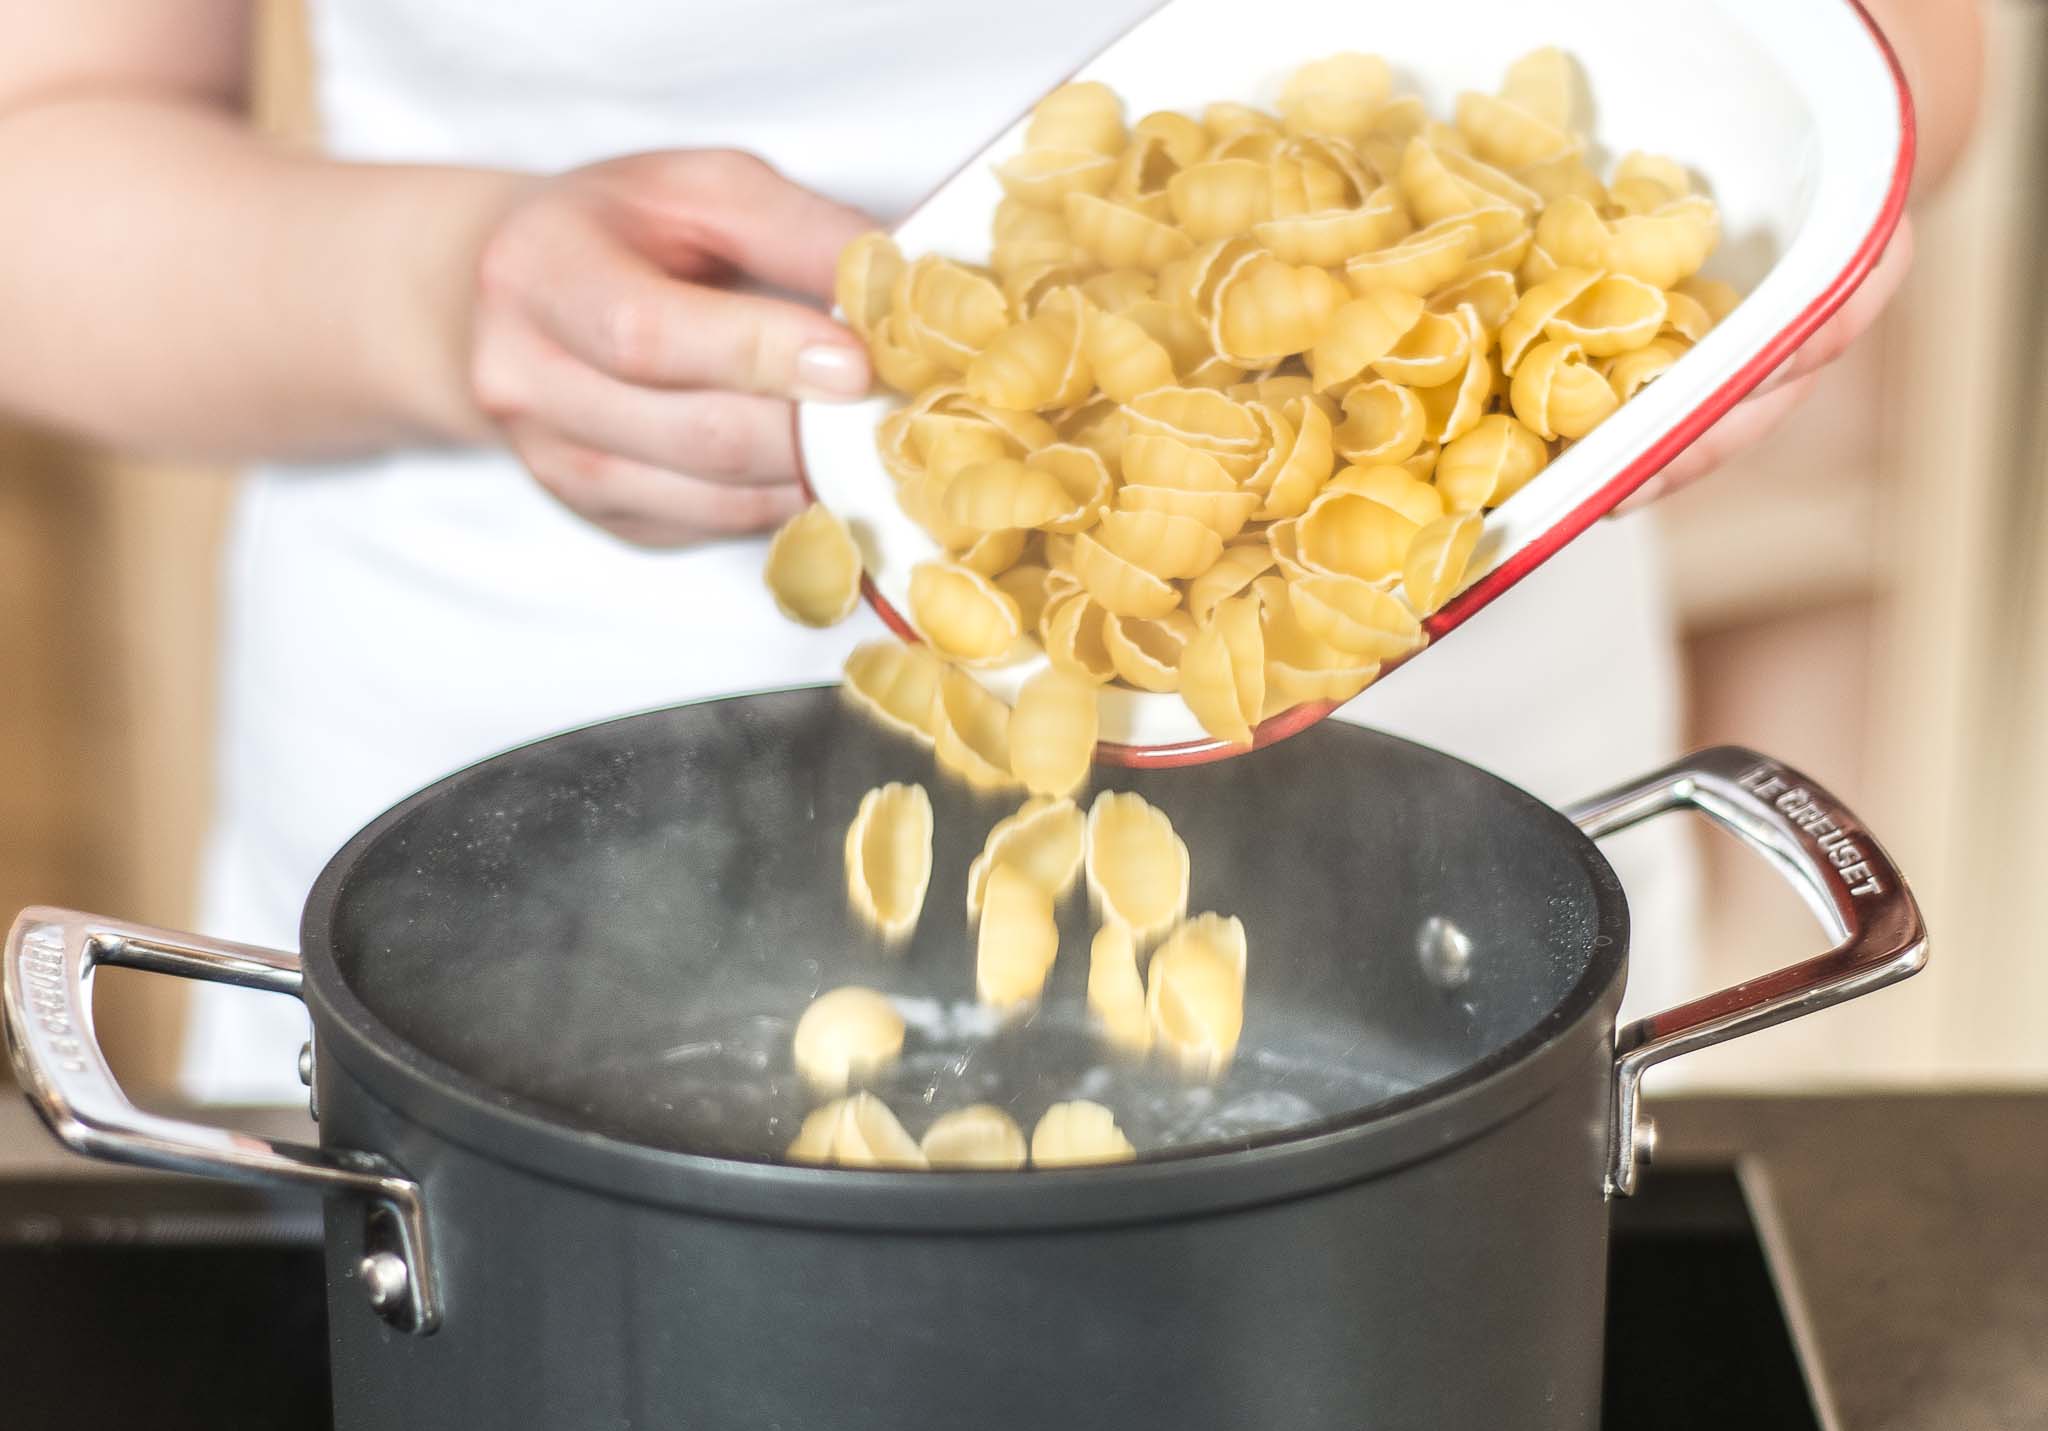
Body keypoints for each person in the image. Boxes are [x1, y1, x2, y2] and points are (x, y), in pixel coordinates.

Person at [0, 1, 1980, 1102]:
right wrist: (440, 300)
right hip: (463, 896)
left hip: (1468, 851)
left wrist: (1776, 233)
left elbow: (1896, 34)